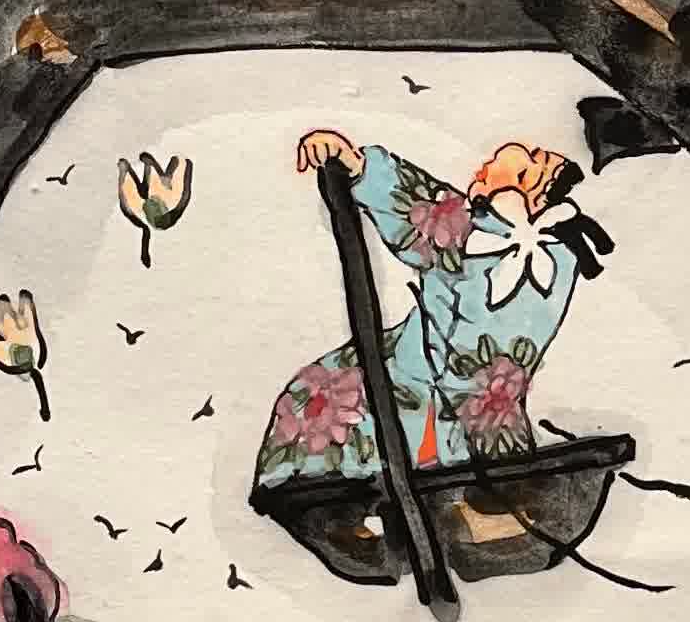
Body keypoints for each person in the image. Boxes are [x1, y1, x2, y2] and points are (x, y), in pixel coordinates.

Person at [256, 132, 613, 496]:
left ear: (528, 190)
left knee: (469, 472)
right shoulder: (487, 233)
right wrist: (359, 166)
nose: (494, 160)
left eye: (531, 159)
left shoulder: (535, 248)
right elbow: (419, 204)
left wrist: (357, 166)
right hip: (408, 369)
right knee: (320, 396)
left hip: (474, 406)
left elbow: (424, 212)